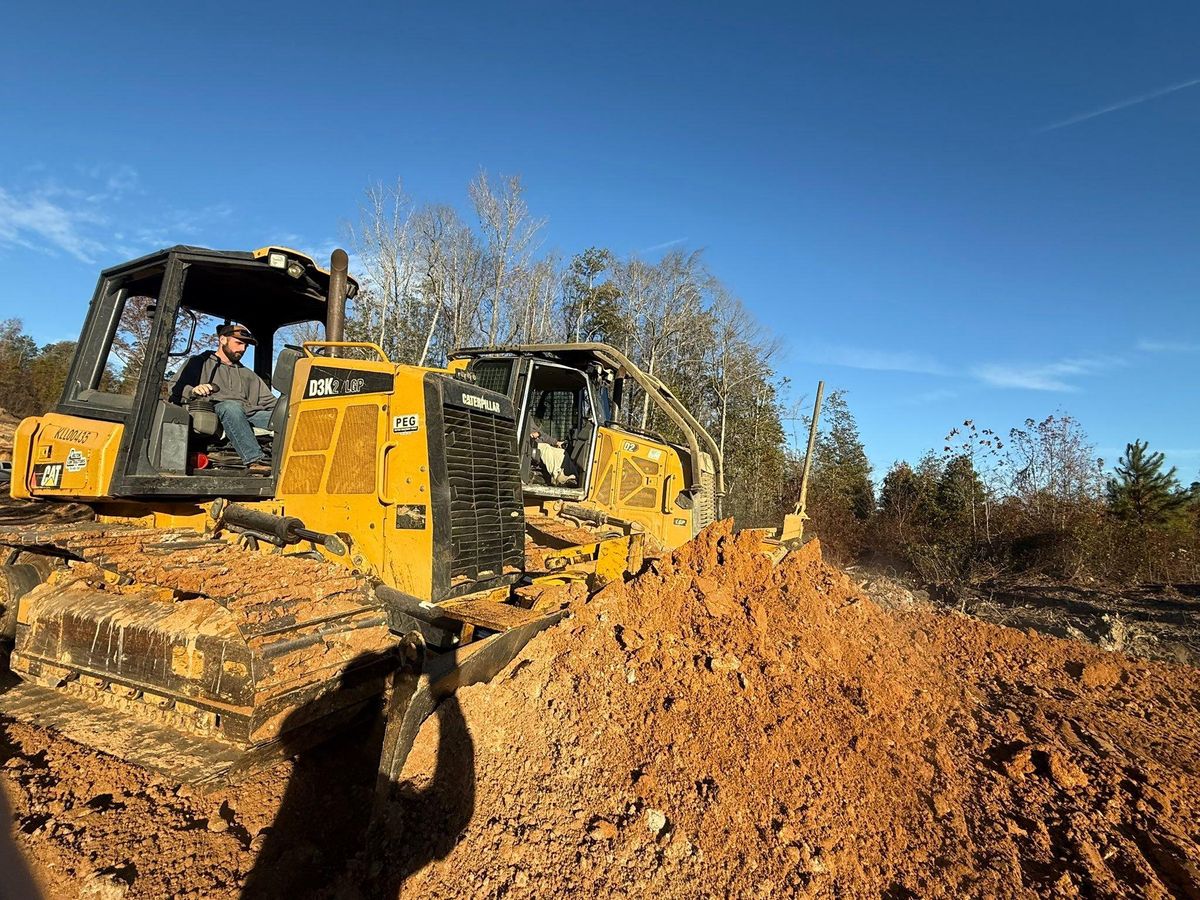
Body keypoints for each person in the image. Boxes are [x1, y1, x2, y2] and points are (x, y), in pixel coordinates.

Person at [169, 324, 276, 471]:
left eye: (246, 345)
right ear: (223, 339)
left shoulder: (248, 374)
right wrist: (193, 390)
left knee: (286, 418)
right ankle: (255, 461)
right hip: (215, 409)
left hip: (249, 413)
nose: (243, 349)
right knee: (231, 407)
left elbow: (270, 401)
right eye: (238, 343)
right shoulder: (199, 363)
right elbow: (174, 387)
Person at [528, 417, 578, 487]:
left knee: (561, 452)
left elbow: (541, 433)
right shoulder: (521, 415)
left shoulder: (529, 418)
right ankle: (556, 476)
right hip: (529, 444)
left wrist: (556, 442)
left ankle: (570, 476)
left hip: (536, 443)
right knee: (546, 447)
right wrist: (531, 435)